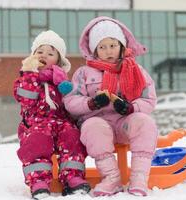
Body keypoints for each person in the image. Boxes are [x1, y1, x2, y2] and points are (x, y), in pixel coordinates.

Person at [63, 16, 158, 197]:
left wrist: (131, 108)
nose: (108, 51)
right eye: (102, 47)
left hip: (125, 123)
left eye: (113, 45)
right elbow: (71, 100)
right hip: (99, 124)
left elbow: (149, 99)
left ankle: (139, 177)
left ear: (122, 46)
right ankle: (111, 177)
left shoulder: (136, 70)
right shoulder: (83, 73)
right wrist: (91, 104)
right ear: (94, 50)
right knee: (92, 126)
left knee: (145, 123)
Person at [13, 30, 90, 199]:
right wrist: (30, 73)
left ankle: (73, 177)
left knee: (72, 135)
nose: (44, 56)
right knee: (38, 140)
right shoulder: (25, 78)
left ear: (58, 59)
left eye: (50, 53)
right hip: (36, 123)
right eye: (40, 52)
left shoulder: (62, 81)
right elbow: (26, 99)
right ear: (33, 55)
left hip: (61, 121)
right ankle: (38, 181)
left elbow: (70, 103)